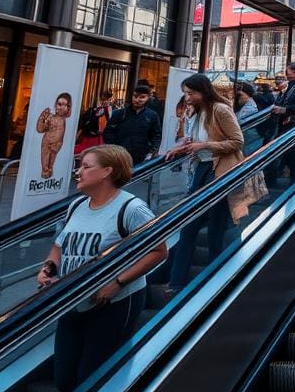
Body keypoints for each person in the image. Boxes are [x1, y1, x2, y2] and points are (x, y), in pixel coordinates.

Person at [37, 144, 167, 392]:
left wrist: (116, 283)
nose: (78, 172)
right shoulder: (76, 206)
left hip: (114, 303)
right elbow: (59, 246)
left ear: (108, 171)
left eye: (86, 166)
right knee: (64, 379)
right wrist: (48, 268)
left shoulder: (131, 208)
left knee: (93, 379)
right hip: (72, 299)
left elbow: (159, 250)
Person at [164, 74, 244, 292]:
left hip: (219, 171)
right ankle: (176, 280)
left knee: (215, 227)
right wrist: (180, 148)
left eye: (191, 93)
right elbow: (194, 141)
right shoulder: (197, 112)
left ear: (204, 91)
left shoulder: (220, 109)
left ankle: (214, 275)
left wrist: (205, 146)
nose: (187, 98)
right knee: (189, 224)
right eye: (186, 93)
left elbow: (237, 141)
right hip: (201, 170)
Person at [267, 62, 295, 184]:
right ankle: (289, 177)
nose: (286, 74)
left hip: (293, 126)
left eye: (289, 72)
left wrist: (285, 109)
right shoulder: (289, 86)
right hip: (285, 125)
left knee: (289, 154)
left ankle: (291, 178)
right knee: (287, 154)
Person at [103, 85, 162, 165]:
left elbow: (156, 135)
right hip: (118, 156)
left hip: (142, 157)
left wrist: (152, 152)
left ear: (148, 98)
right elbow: (108, 133)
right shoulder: (119, 114)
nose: (137, 100)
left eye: (142, 97)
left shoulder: (152, 115)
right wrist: (113, 150)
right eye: (135, 96)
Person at [37, 93, 72, 179]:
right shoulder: (50, 117)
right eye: (59, 104)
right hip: (47, 142)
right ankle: (45, 174)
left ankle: (48, 175)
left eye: (65, 105)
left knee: (51, 164)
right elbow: (40, 129)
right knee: (45, 164)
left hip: (56, 144)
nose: (61, 107)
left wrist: (59, 143)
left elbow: (62, 134)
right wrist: (42, 118)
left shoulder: (64, 119)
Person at [75, 90, 113, 154]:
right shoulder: (94, 110)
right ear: (100, 100)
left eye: (107, 100)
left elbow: (108, 118)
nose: (105, 101)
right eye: (103, 100)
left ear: (110, 100)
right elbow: (86, 124)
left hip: (98, 138)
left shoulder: (109, 109)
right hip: (88, 136)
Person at [234, 82, 262, 156]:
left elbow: (238, 123)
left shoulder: (250, 108)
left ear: (248, 94)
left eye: (240, 95)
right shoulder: (244, 105)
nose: (238, 97)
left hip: (250, 141)